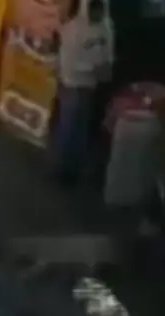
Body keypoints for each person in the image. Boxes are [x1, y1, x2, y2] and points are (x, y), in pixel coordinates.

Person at [51, 0, 114, 187]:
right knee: (68, 128)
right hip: (72, 84)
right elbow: (68, 62)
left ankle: (74, 169)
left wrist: (107, 65)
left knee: (81, 128)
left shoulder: (106, 26)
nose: (98, 13)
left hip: (89, 86)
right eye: (95, 9)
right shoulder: (73, 29)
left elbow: (108, 51)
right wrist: (93, 69)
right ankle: (62, 169)